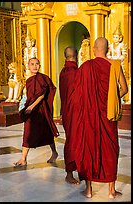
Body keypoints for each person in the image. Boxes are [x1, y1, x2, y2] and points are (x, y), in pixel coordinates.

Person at [68, 37, 128, 198]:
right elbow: (124, 89)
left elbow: (77, 95)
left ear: (94, 49)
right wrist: (112, 100)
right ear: (107, 49)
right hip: (108, 115)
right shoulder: (115, 65)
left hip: (89, 116)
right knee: (111, 149)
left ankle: (88, 190)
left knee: (89, 148)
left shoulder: (86, 66)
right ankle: (111, 191)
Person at [14, 57, 59, 167]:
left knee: (47, 131)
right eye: (32, 64)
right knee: (28, 131)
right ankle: (23, 158)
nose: (35, 66)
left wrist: (31, 106)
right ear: (28, 66)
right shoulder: (29, 79)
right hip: (32, 108)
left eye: (37, 64)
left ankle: (54, 152)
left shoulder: (41, 78)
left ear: (40, 65)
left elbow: (42, 95)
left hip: (40, 109)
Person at [59, 46, 79, 184]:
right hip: (76, 112)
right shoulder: (76, 73)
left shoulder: (63, 72)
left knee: (71, 139)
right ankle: (70, 172)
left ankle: (73, 170)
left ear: (65, 57)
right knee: (74, 141)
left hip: (66, 111)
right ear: (76, 56)